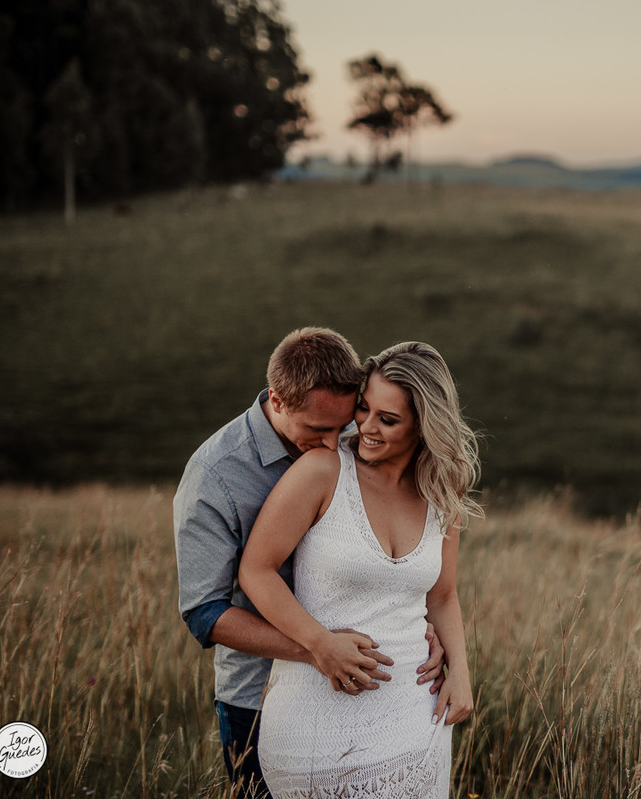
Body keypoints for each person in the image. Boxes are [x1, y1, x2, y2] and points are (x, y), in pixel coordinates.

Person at [174, 328, 447, 799]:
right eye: (317, 431)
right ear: (278, 401)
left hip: (366, 688)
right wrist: (316, 649)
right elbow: (205, 612)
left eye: (343, 425)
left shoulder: (349, 435)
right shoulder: (215, 477)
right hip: (254, 694)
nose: (332, 444)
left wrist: (421, 633)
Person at [239, 341, 481, 798]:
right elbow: (256, 570)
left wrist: (462, 672)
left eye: (388, 420)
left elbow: (443, 596)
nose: (367, 427)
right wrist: (318, 643)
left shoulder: (443, 494)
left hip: (416, 719)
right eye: (364, 410)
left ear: (424, 427)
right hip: (314, 718)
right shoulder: (322, 471)